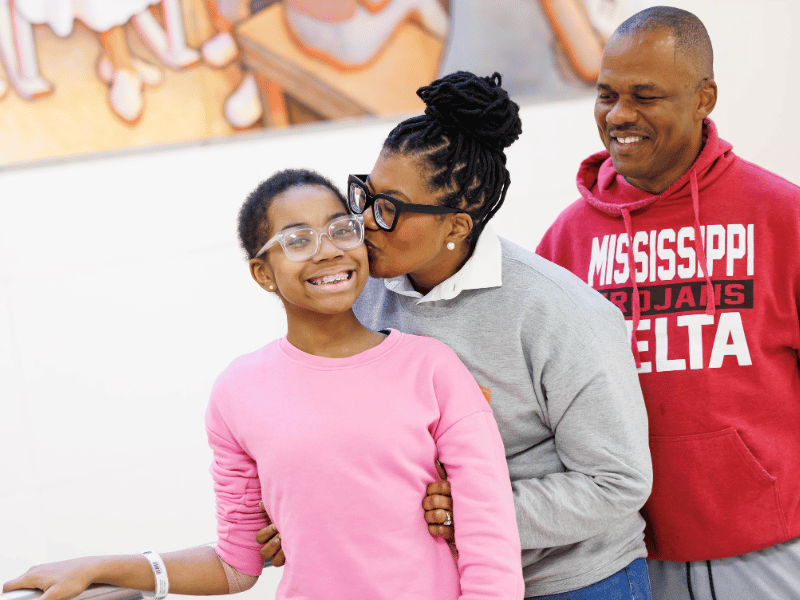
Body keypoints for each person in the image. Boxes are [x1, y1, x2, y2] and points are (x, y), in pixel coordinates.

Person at [2, 169, 523, 600]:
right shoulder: (238, 392)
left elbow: (490, 548)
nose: (327, 251)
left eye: (342, 229)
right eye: (297, 241)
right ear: (263, 273)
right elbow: (236, 564)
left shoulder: (432, 368)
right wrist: (102, 566)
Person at [258, 71, 654, 599]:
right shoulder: (369, 292)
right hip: (435, 579)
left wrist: (474, 509)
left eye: (389, 209)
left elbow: (618, 482)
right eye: (365, 196)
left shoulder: (558, 314)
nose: (364, 224)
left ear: (457, 227)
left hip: (569, 580)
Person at [535, 7, 800, 600]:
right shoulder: (567, 240)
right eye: (606, 95)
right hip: (625, 552)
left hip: (770, 545)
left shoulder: (782, 216)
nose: (619, 115)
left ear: (704, 97)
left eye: (645, 96)